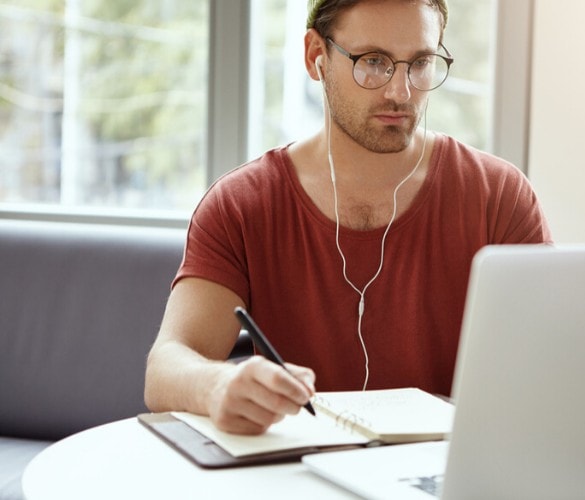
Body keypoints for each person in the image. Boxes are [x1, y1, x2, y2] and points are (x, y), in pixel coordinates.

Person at [144, 0, 551, 436]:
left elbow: (556, 361)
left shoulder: (499, 196)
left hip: (446, 473)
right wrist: (217, 384)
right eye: (372, 62)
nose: (400, 91)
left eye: (420, 63)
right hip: (298, 474)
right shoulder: (241, 205)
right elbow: (165, 367)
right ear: (315, 55)